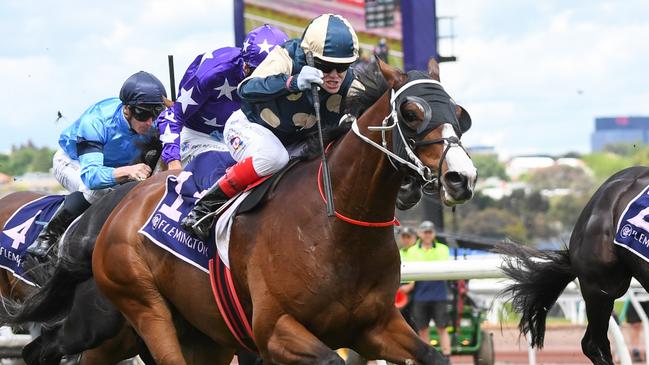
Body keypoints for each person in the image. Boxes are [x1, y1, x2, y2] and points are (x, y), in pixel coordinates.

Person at [182, 13, 360, 240]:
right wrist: (292, 81)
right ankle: (205, 207)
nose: (335, 76)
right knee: (274, 157)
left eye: (342, 67)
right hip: (250, 128)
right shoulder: (286, 56)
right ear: (308, 56)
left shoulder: (350, 82)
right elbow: (246, 89)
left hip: (298, 142)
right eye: (326, 66)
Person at [26, 71, 167, 258]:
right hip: (74, 162)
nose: (150, 123)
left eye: (155, 115)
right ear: (127, 109)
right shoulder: (95, 122)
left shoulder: (153, 121)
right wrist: (128, 170)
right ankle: (47, 238)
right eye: (143, 115)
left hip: (117, 164)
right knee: (98, 190)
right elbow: (92, 177)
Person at [157, 24, 289, 169]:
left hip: (243, 134)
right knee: (231, 164)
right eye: (262, 76)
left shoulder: (288, 72)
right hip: (199, 136)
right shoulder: (214, 73)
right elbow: (172, 116)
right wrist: (173, 162)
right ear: (246, 67)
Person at [407, 220, 452, 360]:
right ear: (420, 233)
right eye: (425, 232)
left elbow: (443, 267)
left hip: (439, 293)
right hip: (420, 295)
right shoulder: (412, 250)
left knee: (442, 328)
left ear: (434, 234)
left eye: (429, 232)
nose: (427, 235)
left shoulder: (443, 249)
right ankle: (427, 358)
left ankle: (447, 357)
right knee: (422, 329)